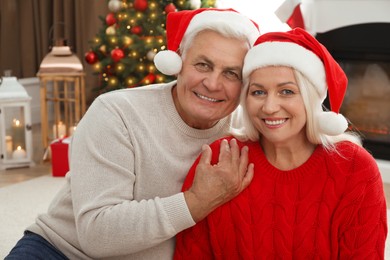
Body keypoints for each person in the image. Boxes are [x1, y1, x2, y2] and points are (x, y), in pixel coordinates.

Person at [5, 8, 260, 260]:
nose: (213, 84)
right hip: (65, 252)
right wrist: (195, 202)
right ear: (179, 62)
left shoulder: (247, 132)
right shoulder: (116, 113)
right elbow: (97, 234)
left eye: (231, 73)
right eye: (203, 65)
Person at [174, 28, 388, 259]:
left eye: (286, 91)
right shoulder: (221, 157)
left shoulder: (354, 167)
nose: (269, 107)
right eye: (258, 92)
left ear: (310, 98)